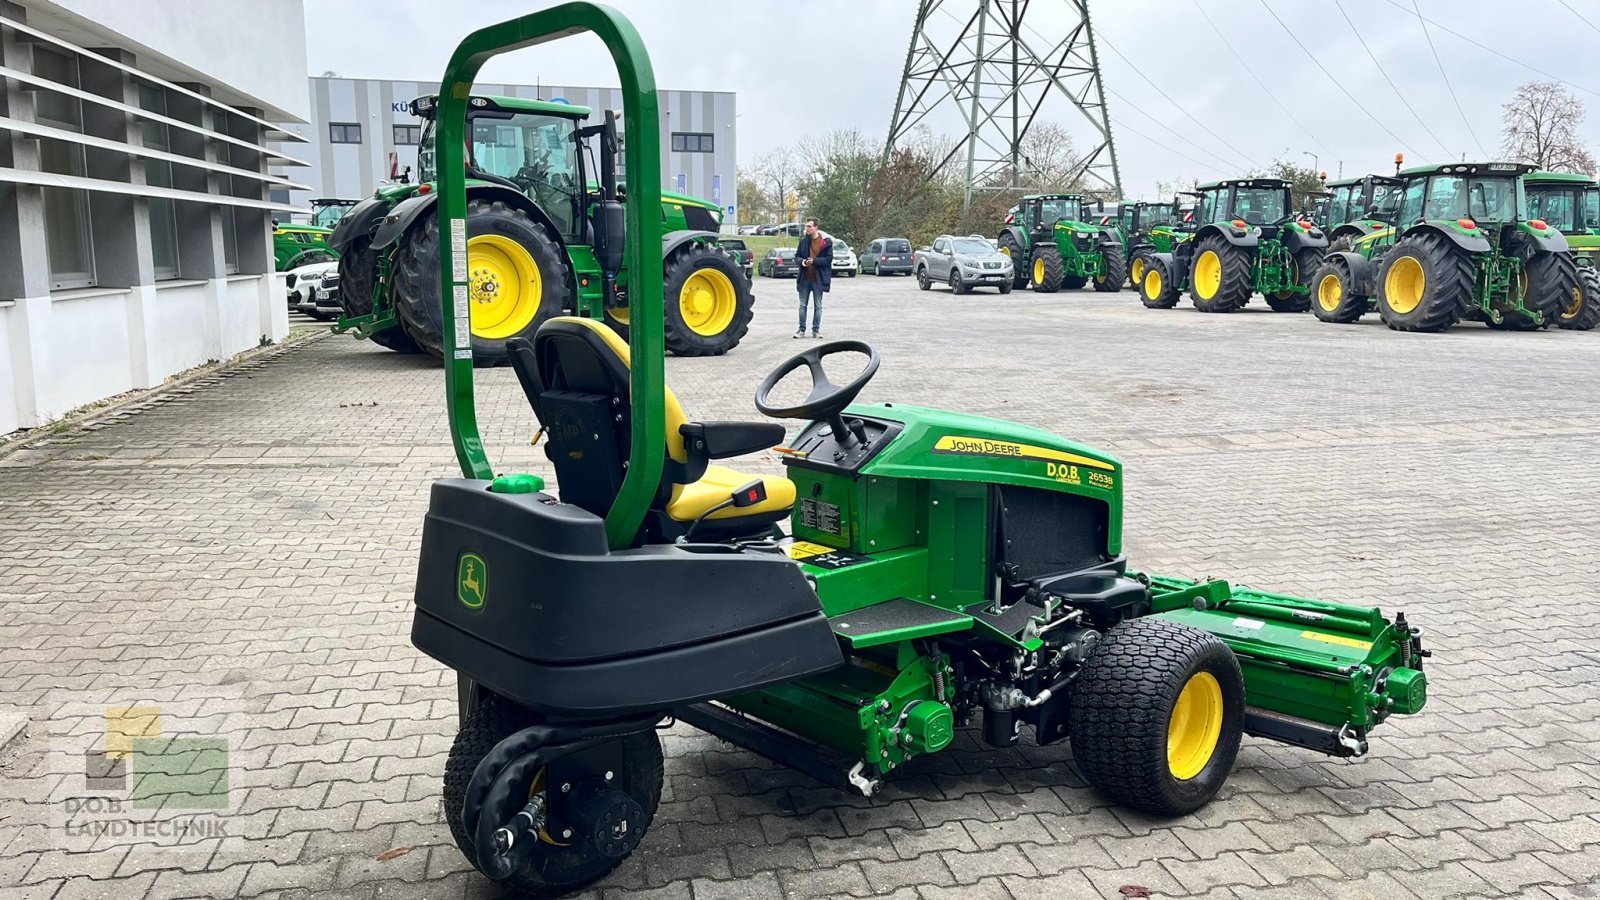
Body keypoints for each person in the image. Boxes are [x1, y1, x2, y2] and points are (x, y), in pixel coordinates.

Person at [795, 217, 832, 338]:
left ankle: (816, 330)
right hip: (805, 278)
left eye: (809, 226)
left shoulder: (825, 243)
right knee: (802, 305)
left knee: (818, 306)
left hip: (818, 279)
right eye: (806, 226)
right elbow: (797, 257)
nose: (807, 228)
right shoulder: (804, 242)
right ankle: (801, 330)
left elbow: (828, 260)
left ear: (816, 227)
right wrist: (803, 262)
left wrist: (814, 261)